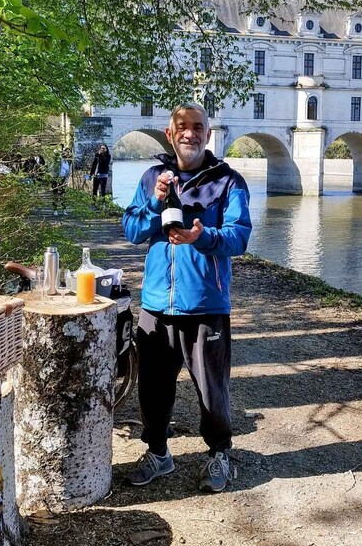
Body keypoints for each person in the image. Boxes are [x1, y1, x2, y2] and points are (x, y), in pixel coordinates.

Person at [122, 103, 252, 493]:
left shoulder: (228, 181)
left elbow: (240, 236)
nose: (190, 133)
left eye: (198, 127)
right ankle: (159, 454)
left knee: (212, 390)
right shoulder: (152, 177)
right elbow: (131, 230)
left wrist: (203, 238)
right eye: (182, 127)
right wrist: (152, 202)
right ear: (170, 133)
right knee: (153, 388)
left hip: (206, 306)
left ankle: (220, 455)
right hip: (157, 303)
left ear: (208, 135)